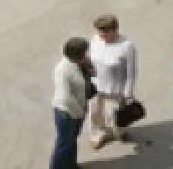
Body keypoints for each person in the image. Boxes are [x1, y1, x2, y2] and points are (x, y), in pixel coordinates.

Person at [89, 14, 138, 150]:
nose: (101, 36)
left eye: (104, 33)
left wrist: (128, 91)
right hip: (95, 85)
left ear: (114, 30)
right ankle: (97, 134)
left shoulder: (126, 46)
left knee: (114, 114)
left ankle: (120, 131)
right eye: (99, 32)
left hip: (115, 88)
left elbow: (131, 71)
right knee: (95, 112)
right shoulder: (95, 40)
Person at [52, 37, 92, 169]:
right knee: (64, 144)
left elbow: (93, 75)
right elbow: (65, 98)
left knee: (72, 140)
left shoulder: (79, 64)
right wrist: (79, 113)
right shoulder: (62, 70)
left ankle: (70, 165)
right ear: (77, 54)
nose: (88, 54)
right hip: (67, 113)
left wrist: (89, 66)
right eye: (85, 52)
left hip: (78, 110)